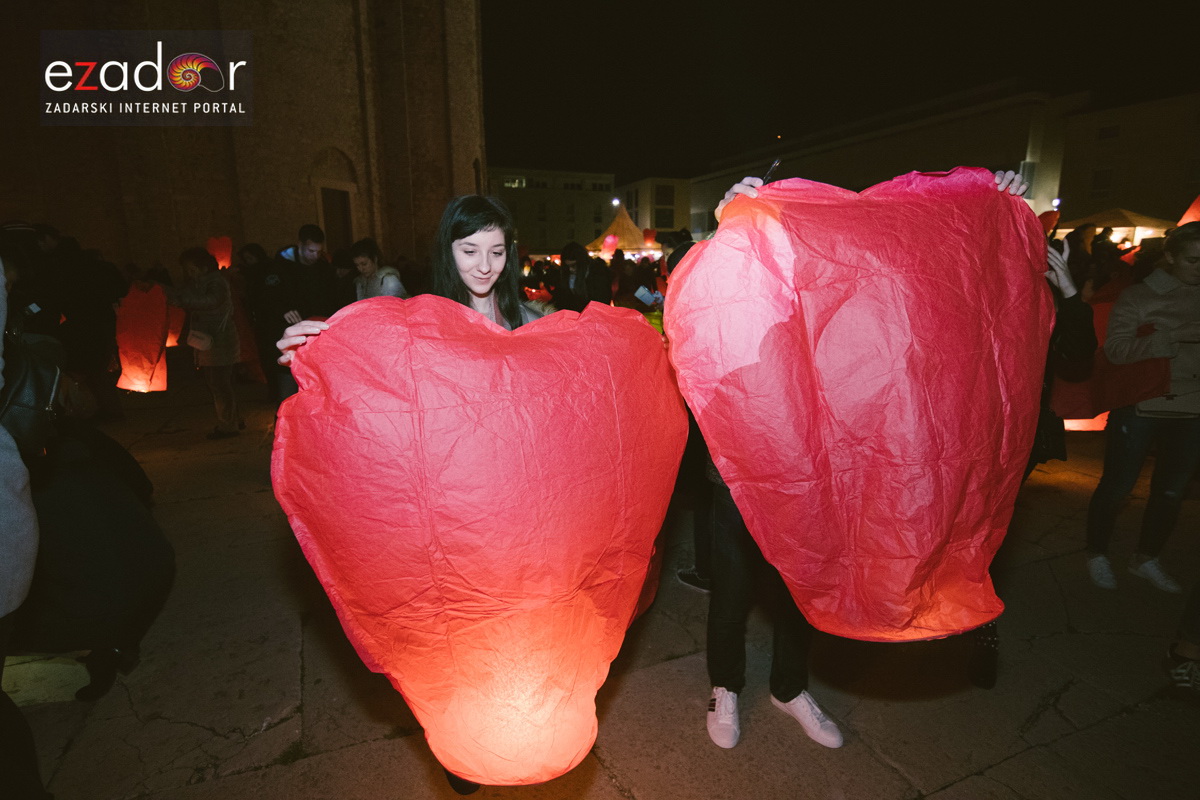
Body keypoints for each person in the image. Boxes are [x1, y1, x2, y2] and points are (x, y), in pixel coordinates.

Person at [701, 169, 1030, 749]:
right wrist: (726, 222)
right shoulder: (731, 295)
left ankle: (788, 688)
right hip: (734, 482)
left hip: (804, 484)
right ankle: (724, 686)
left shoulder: (828, 309)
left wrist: (993, 207)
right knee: (730, 597)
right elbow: (701, 308)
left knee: (799, 595)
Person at [276, 195, 542, 796]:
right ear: (447, 250)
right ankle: (461, 744)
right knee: (458, 634)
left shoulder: (529, 318)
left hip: (518, 508)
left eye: (497, 252)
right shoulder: (422, 323)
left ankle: (515, 725)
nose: (484, 266)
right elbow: (377, 384)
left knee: (517, 628)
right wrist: (313, 354)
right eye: (469, 250)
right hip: (452, 509)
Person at [1084, 221, 1200, 593]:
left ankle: (1146, 557)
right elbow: (1115, 351)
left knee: (1170, 492)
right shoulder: (1139, 296)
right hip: (1141, 404)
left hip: (1193, 407)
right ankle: (1096, 554)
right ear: (1170, 257)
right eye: (1193, 260)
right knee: (1118, 486)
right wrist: (1166, 339)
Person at [167, 247, 242, 439]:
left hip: (219, 339)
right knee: (222, 383)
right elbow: (180, 292)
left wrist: (182, 300)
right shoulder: (198, 282)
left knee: (219, 383)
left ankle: (228, 425)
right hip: (210, 339)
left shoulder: (216, 282)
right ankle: (233, 419)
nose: (189, 273)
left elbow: (210, 301)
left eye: (192, 269)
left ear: (203, 266)